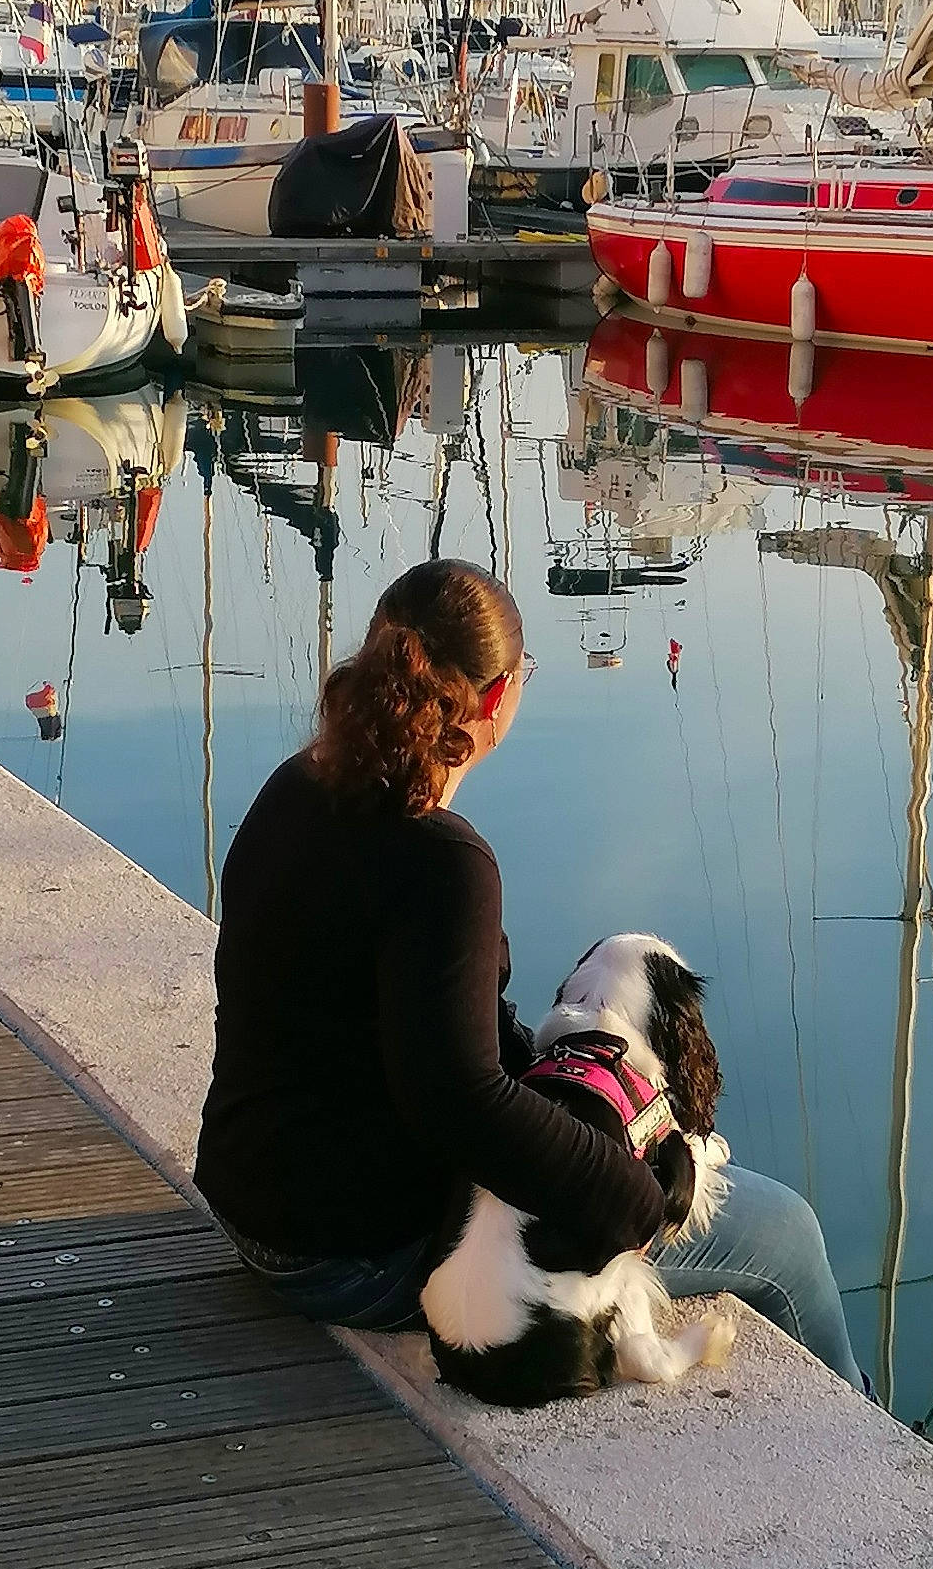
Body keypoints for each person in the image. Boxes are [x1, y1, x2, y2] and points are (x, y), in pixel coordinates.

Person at [194, 557, 866, 1388]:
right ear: (495, 698)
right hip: (350, 1257)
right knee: (787, 1237)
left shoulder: (296, 788)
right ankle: (895, 1446)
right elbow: (461, 1100)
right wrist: (627, 1196)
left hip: (254, 1210)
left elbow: (431, 1043)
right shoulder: (447, 865)